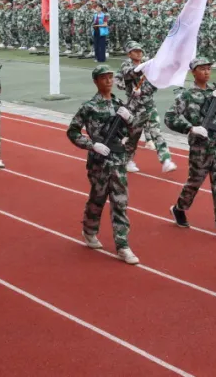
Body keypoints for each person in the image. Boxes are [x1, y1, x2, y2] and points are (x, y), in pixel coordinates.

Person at [67, 64, 141, 265]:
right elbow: (72, 132)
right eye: (103, 77)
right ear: (96, 81)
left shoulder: (120, 105)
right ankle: (89, 230)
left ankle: (122, 245)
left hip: (118, 160)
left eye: (110, 77)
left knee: (120, 202)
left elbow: (134, 132)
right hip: (99, 162)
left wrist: (130, 120)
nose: (108, 80)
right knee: (97, 199)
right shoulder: (89, 107)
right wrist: (92, 145)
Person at [163, 57, 216, 243]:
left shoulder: (215, 94)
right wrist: (190, 128)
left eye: (208, 68)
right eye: (202, 69)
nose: (206, 72)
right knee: (194, 183)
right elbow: (169, 117)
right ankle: (179, 208)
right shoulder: (186, 96)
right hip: (200, 149)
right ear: (193, 72)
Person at [115, 41, 177, 174]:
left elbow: (155, 83)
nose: (139, 53)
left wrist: (143, 91)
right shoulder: (127, 64)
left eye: (140, 51)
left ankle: (166, 160)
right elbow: (125, 76)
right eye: (135, 51)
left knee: (156, 132)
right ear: (129, 53)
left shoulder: (148, 65)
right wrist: (127, 86)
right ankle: (127, 160)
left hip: (148, 105)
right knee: (133, 136)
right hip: (134, 107)